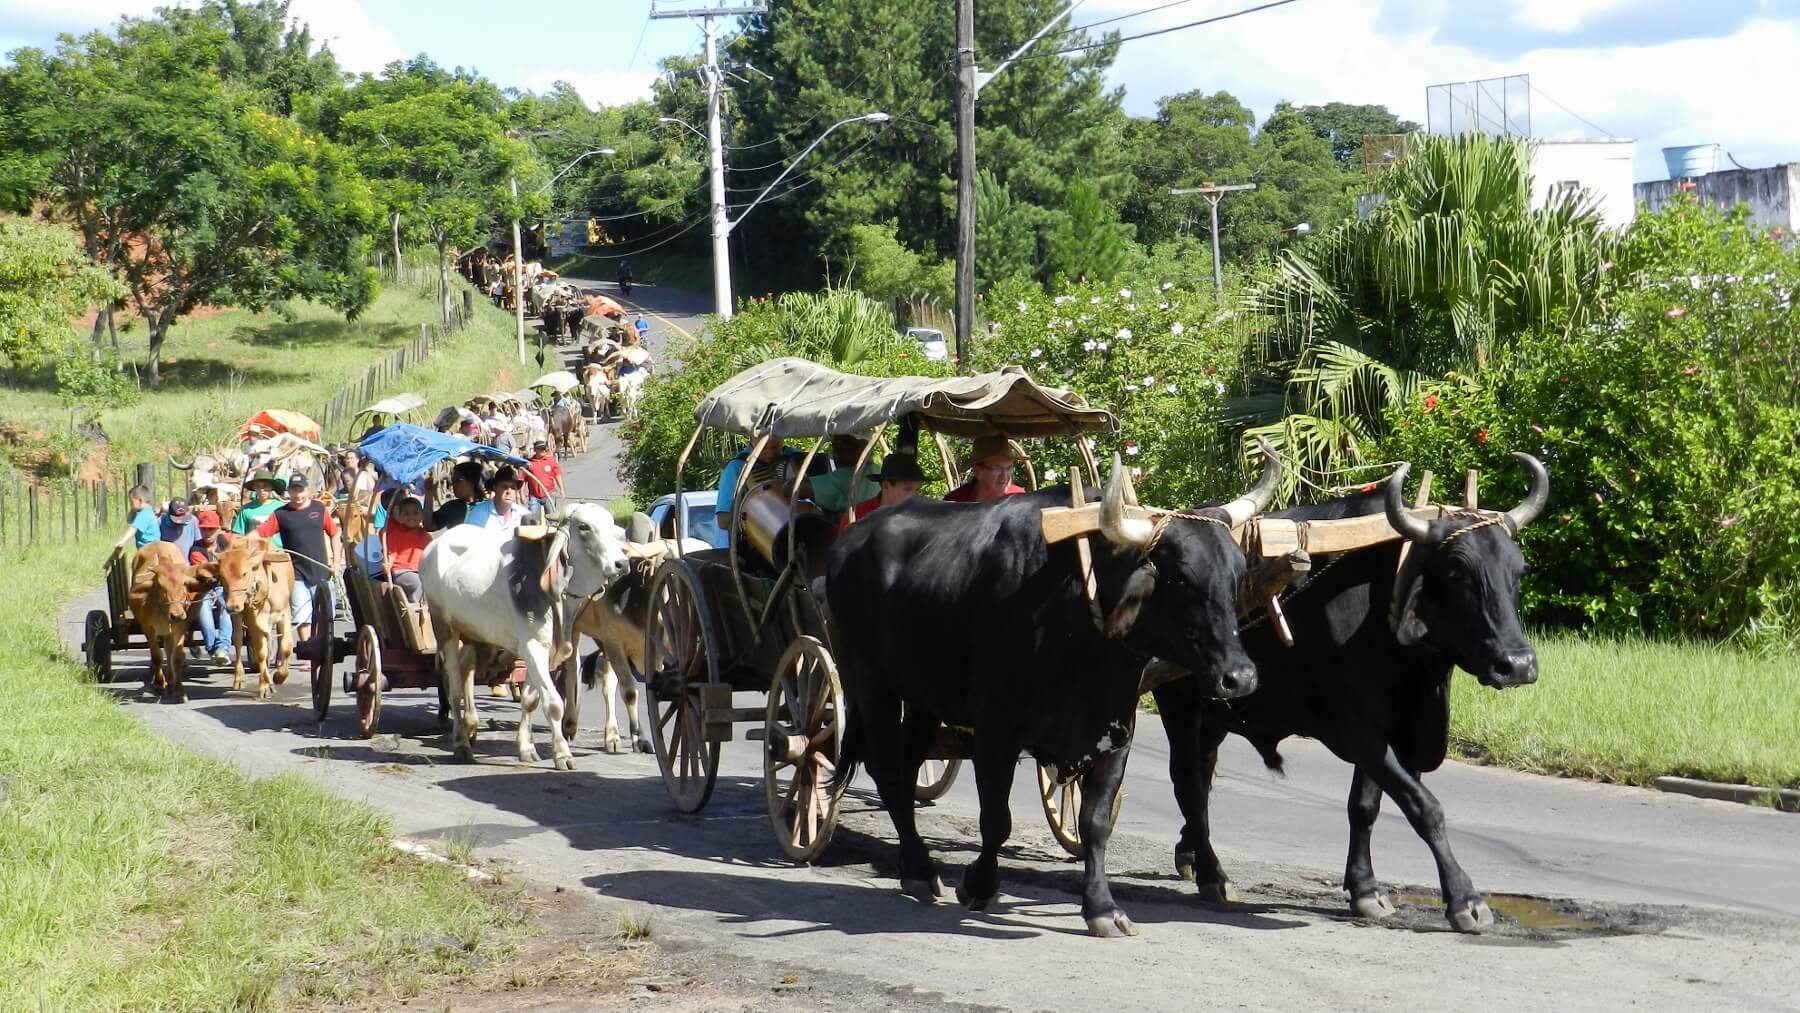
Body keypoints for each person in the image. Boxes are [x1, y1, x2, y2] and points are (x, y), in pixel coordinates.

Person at [254, 474, 340, 647]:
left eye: (301, 490)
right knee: (302, 616)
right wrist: (240, 543)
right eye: (294, 490)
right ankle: (309, 651)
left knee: (326, 616)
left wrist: (337, 560)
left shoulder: (319, 508)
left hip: (322, 570)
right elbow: (260, 533)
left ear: (307, 490)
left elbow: (335, 533)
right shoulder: (281, 514)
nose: (298, 494)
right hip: (297, 573)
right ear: (289, 492)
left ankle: (324, 647)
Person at [716, 437, 803, 540]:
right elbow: (723, 520)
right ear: (752, 440)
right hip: (755, 547)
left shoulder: (793, 457)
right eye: (763, 447)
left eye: (775, 447)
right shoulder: (737, 467)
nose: (770, 453)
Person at [187, 510, 233, 665]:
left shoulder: (225, 542)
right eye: (204, 529)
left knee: (227, 607)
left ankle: (223, 647)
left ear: (218, 529)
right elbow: (205, 570)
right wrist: (220, 562)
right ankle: (212, 647)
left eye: (211, 529)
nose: (207, 533)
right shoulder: (196, 549)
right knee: (202, 608)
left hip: (223, 587)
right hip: (203, 588)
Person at [841, 450, 928, 531]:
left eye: (917, 489)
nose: (915, 495)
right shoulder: (857, 516)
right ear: (885, 486)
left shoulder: (920, 517)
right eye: (907, 489)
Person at [798, 434, 880, 519]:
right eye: (834, 448)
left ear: (859, 449)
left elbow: (792, 489)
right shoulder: (878, 470)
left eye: (840, 450)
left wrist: (812, 509)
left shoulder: (845, 476)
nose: (834, 455)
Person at [945, 435, 1028, 503]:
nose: (1005, 476)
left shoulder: (1019, 498)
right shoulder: (955, 502)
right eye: (997, 469)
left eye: (1009, 468)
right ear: (978, 471)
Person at [377, 496, 430, 603]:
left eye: (415, 513)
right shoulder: (395, 535)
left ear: (422, 514)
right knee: (417, 583)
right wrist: (387, 564)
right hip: (402, 572)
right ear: (400, 516)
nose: (411, 517)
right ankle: (416, 609)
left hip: (420, 571)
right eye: (406, 514)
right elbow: (391, 554)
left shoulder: (426, 536)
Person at [463, 465, 526, 532]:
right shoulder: (479, 512)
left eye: (513, 488)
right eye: (504, 487)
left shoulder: (522, 514)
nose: (509, 491)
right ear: (495, 487)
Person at [431, 460, 486, 531]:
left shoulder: (487, 506)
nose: (453, 484)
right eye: (452, 480)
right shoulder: (451, 507)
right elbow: (429, 526)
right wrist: (429, 493)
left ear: (472, 482)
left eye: (457, 480)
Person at [231, 471, 287, 538]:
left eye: (265, 486)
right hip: (253, 547)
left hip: (276, 548)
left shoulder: (281, 507)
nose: (262, 490)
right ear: (254, 488)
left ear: (271, 487)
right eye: (258, 486)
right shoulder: (246, 509)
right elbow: (237, 534)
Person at [524, 441, 564, 514]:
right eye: (541, 449)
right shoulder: (529, 463)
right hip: (534, 496)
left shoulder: (551, 461)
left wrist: (562, 489)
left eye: (544, 449)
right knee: (532, 517)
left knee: (551, 516)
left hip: (549, 493)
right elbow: (523, 479)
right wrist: (521, 495)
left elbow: (557, 475)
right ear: (536, 450)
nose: (544, 451)